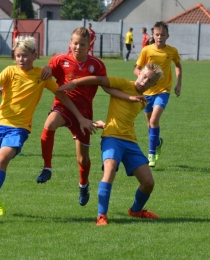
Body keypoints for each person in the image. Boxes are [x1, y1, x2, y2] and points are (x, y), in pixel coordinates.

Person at [0, 35, 94, 222]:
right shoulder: (9, 71)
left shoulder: (41, 75)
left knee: (1, 161)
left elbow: (62, 95)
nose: (21, 59)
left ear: (34, 55)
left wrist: (80, 117)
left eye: (25, 56)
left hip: (19, 128)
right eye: (18, 55)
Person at [57, 62, 163, 226]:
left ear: (154, 84)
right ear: (139, 73)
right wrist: (75, 83)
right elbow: (99, 81)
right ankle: (101, 216)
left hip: (130, 142)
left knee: (148, 183)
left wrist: (105, 123)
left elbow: (124, 119)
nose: (144, 81)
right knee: (110, 169)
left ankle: (135, 211)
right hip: (112, 138)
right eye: (144, 76)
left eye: (150, 81)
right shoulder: (123, 84)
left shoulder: (143, 101)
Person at [36, 27, 107, 207]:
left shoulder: (96, 65)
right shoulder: (61, 60)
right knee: (49, 123)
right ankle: (47, 167)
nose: (78, 47)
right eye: (75, 43)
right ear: (70, 43)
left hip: (84, 113)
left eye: (82, 44)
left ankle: (83, 184)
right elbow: (49, 68)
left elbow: (105, 84)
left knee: (82, 158)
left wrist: (127, 93)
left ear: (89, 45)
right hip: (63, 107)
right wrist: (46, 67)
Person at [134, 21, 182, 167]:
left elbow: (178, 65)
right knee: (149, 124)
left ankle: (151, 154)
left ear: (167, 36)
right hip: (147, 92)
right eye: (157, 34)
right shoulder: (146, 51)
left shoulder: (172, 51)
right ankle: (158, 142)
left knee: (154, 120)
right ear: (153, 35)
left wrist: (179, 84)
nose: (159, 37)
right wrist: (142, 78)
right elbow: (137, 69)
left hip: (163, 91)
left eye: (162, 35)